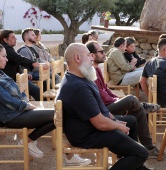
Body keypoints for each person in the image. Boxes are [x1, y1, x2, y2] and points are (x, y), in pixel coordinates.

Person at [56, 42, 155, 170]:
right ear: (77, 58)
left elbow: (102, 109)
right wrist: (117, 126)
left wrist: (115, 120)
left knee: (131, 121)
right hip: (86, 135)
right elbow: (100, 123)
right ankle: (135, 162)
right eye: (88, 55)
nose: (92, 58)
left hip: (91, 127)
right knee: (142, 153)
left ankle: (133, 165)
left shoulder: (81, 78)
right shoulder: (78, 87)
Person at [86, 41, 160, 159]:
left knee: (136, 112)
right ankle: (146, 147)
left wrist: (117, 99)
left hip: (107, 104)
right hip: (104, 109)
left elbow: (106, 89)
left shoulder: (96, 69)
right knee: (132, 100)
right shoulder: (89, 71)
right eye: (101, 52)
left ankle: (136, 150)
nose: (105, 54)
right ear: (92, 55)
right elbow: (101, 96)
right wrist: (117, 101)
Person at [0, 42, 55, 158]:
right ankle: (29, 141)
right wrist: (27, 105)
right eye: (3, 56)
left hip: (19, 111)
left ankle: (28, 140)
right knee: (58, 114)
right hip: (11, 117)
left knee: (60, 113)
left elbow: (19, 91)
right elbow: (8, 100)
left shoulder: (0, 73)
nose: (7, 60)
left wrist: (26, 103)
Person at [0, 29, 46, 101]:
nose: (16, 39)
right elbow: (20, 59)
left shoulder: (7, 48)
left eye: (15, 37)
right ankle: (44, 109)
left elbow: (17, 62)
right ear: (5, 39)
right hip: (11, 81)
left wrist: (24, 73)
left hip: (16, 78)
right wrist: (33, 63)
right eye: (12, 37)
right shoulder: (6, 48)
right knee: (37, 91)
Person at [140, 38, 166, 107]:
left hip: (157, 101)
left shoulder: (149, 62)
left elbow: (142, 81)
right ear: (165, 50)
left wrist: (150, 97)